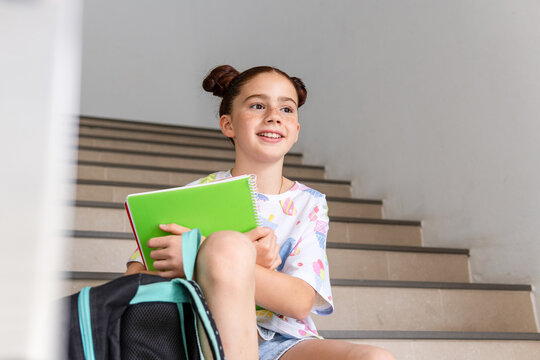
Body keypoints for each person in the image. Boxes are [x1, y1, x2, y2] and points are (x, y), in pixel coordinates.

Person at [125, 65, 395, 360]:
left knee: (374, 358)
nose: (274, 116)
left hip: (285, 342)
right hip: (203, 338)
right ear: (228, 125)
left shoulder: (310, 204)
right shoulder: (193, 195)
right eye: (257, 105)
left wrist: (202, 256)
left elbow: (299, 301)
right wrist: (207, 262)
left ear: (295, 132)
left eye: (287, 109)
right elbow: (135, 277)